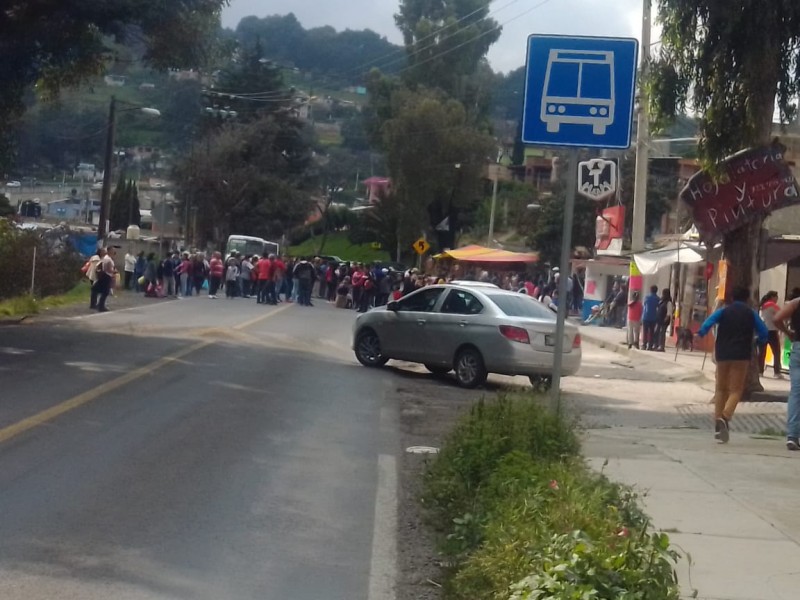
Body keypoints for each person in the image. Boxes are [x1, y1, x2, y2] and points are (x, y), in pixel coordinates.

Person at [696, 286, 768, 444]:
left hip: (723, 353)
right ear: (748, 299)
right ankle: (725, 416)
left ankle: (718, 425)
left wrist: (701, 333)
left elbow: (709, 322)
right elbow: (764, 332)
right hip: (741, 355)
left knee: (720, 389)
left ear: (732, 298)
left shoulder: (724, 311)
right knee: (735, 390)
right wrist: (759, 341)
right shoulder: (751, 314)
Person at [772, 290, 800, 450]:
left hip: (798, 348)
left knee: (796, 393)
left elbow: (776, 319)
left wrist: (787, 332)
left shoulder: (796, 303)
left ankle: (792, 436)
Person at [758, 291, 783, 379]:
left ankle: (760, 371)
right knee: (776, 352)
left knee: (762, 352)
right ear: (772, 297)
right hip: (772, 331)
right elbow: (781, 314)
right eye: (776, 297)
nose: (777, 299)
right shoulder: (773, 305)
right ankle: (777, 372)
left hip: (763, 330)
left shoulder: (762, 306)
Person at [94, 247, 117, 312]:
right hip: (106, 276)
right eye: (112, 250)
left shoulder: (107, 258)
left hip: (105, 275)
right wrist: (114, 271)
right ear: (109, 251)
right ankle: (101, 306)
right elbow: (108, 269)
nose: (114, 252)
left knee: (104, 292)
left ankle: (100, 305)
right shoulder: (108, 259)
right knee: (105, 292)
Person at [642, 286, 660, 350]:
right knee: (651, 332)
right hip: (653, 318)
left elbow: (644, 305)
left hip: (645, 317)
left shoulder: (647, 297)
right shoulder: (658, 299)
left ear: (650, 290)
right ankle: (650, 346)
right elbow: (658, 308)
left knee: (645, 332)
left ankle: (644, 345)